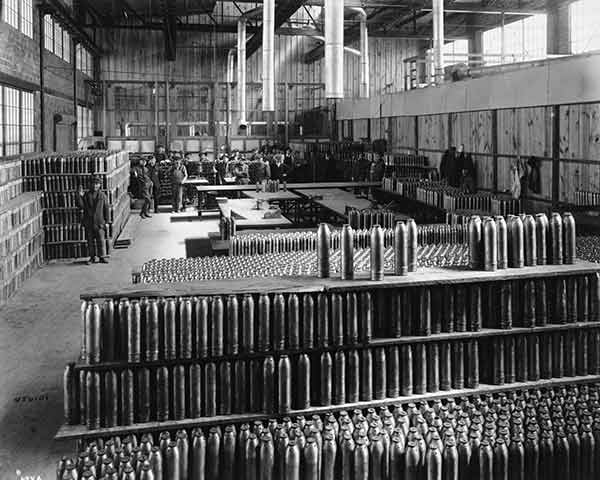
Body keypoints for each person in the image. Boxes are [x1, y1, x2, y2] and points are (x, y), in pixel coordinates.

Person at [77, 176, 110, 265]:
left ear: (99, 185)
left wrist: (107, 221)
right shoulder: (87, 195)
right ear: (90, 184)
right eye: (93, 184)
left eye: (97, 184)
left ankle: (102, 257)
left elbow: (106, 208)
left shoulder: (103, 195)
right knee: (90, 241)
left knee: (101, 240)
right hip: (89, 222)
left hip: (100, 222)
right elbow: (81, 206)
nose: (95, 186)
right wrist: (80, 196)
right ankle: (92, 257)